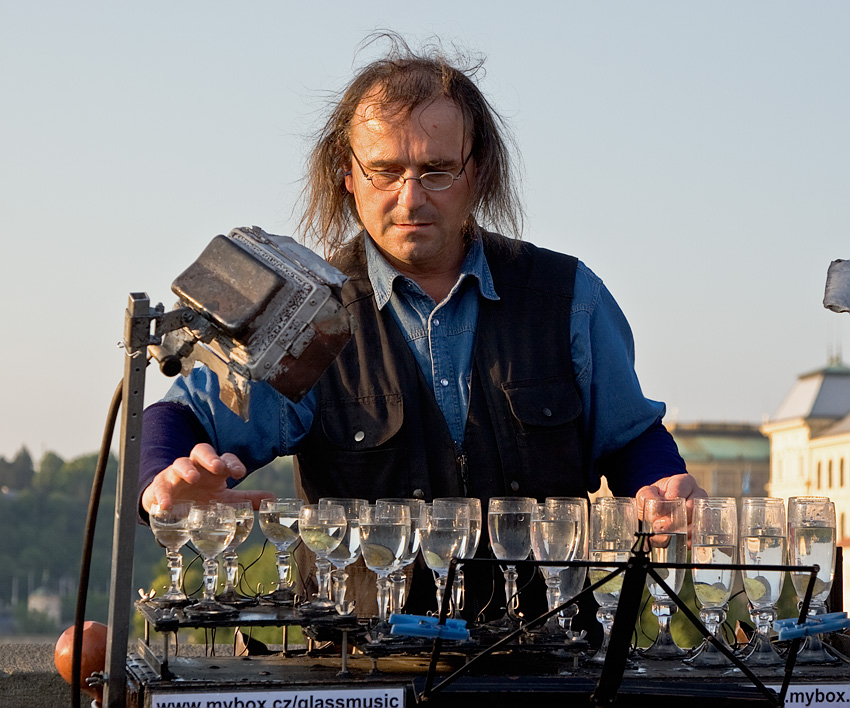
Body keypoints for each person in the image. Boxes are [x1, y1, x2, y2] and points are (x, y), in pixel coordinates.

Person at [139, 34, 705, 620]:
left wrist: (663, 486)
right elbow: (181, 417)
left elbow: (630, 438)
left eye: (436, 171)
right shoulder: (304, 316)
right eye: (384, 171)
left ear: (477, 172)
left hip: (545, 660)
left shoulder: (568, 297)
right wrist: (166, 475)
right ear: (347, 176)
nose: (410, 198)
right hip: (358, 672)